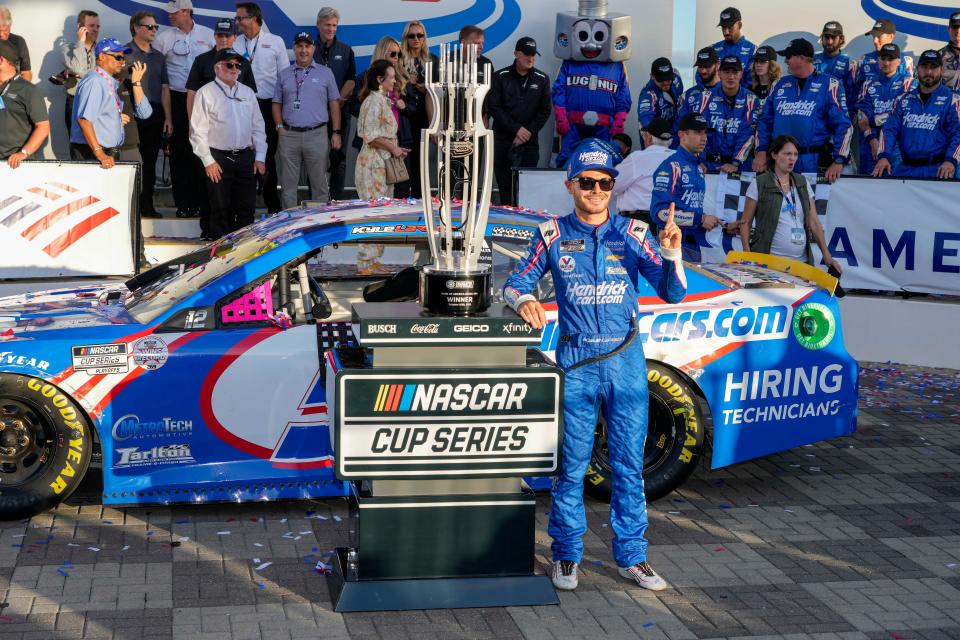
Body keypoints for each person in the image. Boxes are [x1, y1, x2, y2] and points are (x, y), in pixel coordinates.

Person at [502, 139, 685, 593]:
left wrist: (672, 254)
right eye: (587, 182)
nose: (596, 190)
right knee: (572, 465)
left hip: (625, 365)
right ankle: (566, 554)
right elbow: (515, 281)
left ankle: (633, 557)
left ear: (612, 186)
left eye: (604, 182)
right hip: (577, 363)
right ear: (570, 185)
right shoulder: (551, 233)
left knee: (628, 465)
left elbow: (673, 292)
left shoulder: (636, 234)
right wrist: (525, 298)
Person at [189, 48, 266, 238]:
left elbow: (258, 127)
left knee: (246, 208)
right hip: (219, 158)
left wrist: (260, 157)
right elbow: (197, 131)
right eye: (229, 65)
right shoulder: (205, 93)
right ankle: (221, 257)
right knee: (220, 209)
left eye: (237, 65)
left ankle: (245, 254)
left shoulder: (248, 93)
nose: (234, 69)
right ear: (217, 68)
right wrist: (208, 161)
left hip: (245, 156)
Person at [753, 38, 852, 183]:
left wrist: (839, 160)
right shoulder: (779, 84)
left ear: (802, 58)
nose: (785, 61)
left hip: (813, 161)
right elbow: (765, 121)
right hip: (779, 162)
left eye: (788, 56)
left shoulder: (830, 84)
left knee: (809, 205)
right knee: (779, 204)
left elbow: (843, 125)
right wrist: (761, 151)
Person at [739, 134, 840, 273]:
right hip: (769, 264)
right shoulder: (759, 183)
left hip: (801, 264)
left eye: (795, 154)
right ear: (774, 155)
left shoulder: (803, 182)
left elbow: (815, 223)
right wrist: (747, 254)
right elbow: (745, 222)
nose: (792, 158)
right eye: (787, 154)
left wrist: (827, 257)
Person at [155, 0, 214, 218]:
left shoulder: (208, 35)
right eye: (169, 13)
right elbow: (158, 70)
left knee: (202, 151)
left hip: (205, 99)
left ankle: (201, 202)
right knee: (179, 153)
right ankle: (183, 203)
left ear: (187, 12)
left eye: (174, 12)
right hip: (177, 98)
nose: (170, 16)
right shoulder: (163, 38)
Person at [272, 31, 342, 209]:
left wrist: (336, 132)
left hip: (317, 134)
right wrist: (280, 127)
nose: (303, 50)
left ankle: (320, 227)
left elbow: (334, 103)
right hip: (289, 135)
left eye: (307, 46)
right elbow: (276, 103)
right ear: (294, 48)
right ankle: (289, 226)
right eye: (299, 46)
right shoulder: (284, 74)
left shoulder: (326, 73)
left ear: (313, 48)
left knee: (319, 184)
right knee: (288, 186)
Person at [234, 2, 288, 214]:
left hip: (267, 106)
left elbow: (284, 78)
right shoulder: (235, 43)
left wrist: (280, 115)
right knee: (243, 154)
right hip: (239, 107)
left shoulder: (275, 42)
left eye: (240, 18)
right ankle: (243, 205)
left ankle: (272, 205)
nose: (237, 23)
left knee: (268, 156)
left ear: (254, 19)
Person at [873, 50, 960, 180]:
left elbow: (958, 133)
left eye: (933, 67)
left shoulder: (953, 100)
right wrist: (884, 156)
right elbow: (889, 130)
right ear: (917, 69)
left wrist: (950, 160)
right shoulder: (903, 99)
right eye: (924, 67)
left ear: (941, 70)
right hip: (906, 171)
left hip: (939, 171)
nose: (928, 72)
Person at [488, 37, 551, 206]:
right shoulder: (500, 77)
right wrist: (516, 129)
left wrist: (527, 132)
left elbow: (545, 110)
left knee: (527, 188)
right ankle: (505, 224)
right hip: (503, 141)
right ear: (516, 54)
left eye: (533, 55)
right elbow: (494, 107)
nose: (530, 58)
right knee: (505, 187)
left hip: (529, 142)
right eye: (526, 54)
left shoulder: (542, 78)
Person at [70, 39, 152, 168]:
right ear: (102, 56)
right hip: (92, 152)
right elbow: (84, 120)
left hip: (105, 151)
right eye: (118, 57)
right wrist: (100, 153)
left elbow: (145, 113)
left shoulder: (105, 81)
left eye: (123, 58)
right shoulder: (95, 81)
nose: (122, 62)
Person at [650, 113, 716, 262]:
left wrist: (721, 224)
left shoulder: (698, 167)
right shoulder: (671, 166)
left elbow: (689, 207)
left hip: (694, 246)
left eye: (705, 132)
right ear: (682, 134)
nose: (704, 137)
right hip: (672, 244)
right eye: (698, 132)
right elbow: (660, 214)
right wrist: (700, 219)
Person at [126, 11, 169, 218]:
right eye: (150, 27)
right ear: (136, 27)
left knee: (150, 162)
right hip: (130, 115)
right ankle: (130, 206)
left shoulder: (159, 56)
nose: (154, 31)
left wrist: (168, 118)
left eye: (156, 27)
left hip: (155, 114)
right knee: (131, 161)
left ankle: (147, 205)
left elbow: (165, 89)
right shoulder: (124, 53)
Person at [315, 7, 356, 201]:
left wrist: (337, 101)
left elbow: (351, 79)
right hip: (315, 115)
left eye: (334, 25)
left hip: (341, 112)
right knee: (315, 158)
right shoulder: (309, 48)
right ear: (319, 24)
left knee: (339, 158)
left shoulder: (346, 50)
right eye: (327, 25)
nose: (331, 29)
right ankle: (317, 199)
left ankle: (336, 200)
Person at [856, 43, 914, 176]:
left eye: (891, 59)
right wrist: (872, 139)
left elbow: (905, 117)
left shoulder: (909, 83)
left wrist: (877, 119)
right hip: (872, 144)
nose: (886, 63)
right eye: (883, 58)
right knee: (868, 190)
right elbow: (862, 119)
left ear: (899, 62)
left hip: (898, 145)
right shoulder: (868, 85)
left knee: (898, 188)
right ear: (878, 60)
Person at [355, 59, 409, 199]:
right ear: (380, 79)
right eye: (391, 77)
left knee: (383, 209)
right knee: (375, 212)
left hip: (381, 164)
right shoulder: (374, 101)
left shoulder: (381, 100)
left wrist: (395, 148)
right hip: (372, 166)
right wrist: (393, 148)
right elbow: (370, 137)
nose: (395, 81)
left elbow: (381, 134)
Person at [186, 17, 256, 118]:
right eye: (220, 35)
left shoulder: (244, 63)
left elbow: (251, 97)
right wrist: (192, 123)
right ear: (214, 36)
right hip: (207, 118)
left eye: (228, 35)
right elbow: (192, 93)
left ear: (235, 37)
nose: (224, 39)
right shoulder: (201, 60)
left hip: (237, 119)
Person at [698, 55, 757, 173]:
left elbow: (748, 134)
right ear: (719, 73)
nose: (731, 76)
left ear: (741, 74)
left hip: (738, 167)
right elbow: (699, 130)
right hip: (708, 166)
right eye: (726, 72)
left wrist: (735, 162)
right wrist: (699, 161)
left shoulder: (751, 99)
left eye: (735, 72)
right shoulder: (706, 97)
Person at [401, 19, 438, 199]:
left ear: (424, 38)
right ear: (406, 38)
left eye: (420, 35)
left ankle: (419, 203)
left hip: (424, 117)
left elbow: (440, 90)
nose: (416, 39)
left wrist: (427, 87)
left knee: (421, 165)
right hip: (404, 118)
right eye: (412, 35)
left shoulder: (433, 60)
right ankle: (399, 205)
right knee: (404, 164)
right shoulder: (399, 59)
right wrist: (408, 81)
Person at [612, 118, 673, 222]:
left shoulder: (637, 158)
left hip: (638, 221)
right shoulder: (680, 159)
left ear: (648, 138)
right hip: (671, 222)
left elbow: (613, 185)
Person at [0, 39, 48, 167]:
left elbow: (43, 126)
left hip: (15, 163)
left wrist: (23, 153)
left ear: (1, 60)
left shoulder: (28, 90)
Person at [60, 10, 100, 132]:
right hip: (75, 101)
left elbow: (99, 76)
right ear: (80, 27)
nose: (96, 29)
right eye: (91, 26)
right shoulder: (68, 48)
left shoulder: (101, 50)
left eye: (98, 26)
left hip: (97, 101)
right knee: (76, 146)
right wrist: (80, 43)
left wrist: (79, 73)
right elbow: (78, 68)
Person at [856, 19, 913, 96]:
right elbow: (855, 92)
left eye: (879, 36)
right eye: (874, 37)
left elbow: (909, 93)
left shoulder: (905, 60)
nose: (875, 41)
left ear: (891, 36)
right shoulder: (865, 59)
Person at [814, 21, 857, 120]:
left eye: (833, 38)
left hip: (838, 117)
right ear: (822, 38)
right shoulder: (812, 60)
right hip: (815, 117)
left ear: (841, 39)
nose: (829, 41)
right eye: (827, 37)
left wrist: (847, 118)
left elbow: (852, 97)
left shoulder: (849, 64)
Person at [636, 57, 683, 134]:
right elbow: (646, 119)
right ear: (652, 76)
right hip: (657, 137)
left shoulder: (676, 78)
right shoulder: (647, 94)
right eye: (661, 79)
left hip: (676, 133)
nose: (665, 83)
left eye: (668, 79)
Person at [712, 7, 755, 87]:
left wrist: (735, 93)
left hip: (743, 98)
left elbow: (753, 80)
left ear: (740, 25)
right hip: (715, 98)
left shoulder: (752, 50)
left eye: (730, 27)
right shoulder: (713, 49)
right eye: (723, 27)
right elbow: (700, 75)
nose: (726, 32)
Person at [0, 7, 31, 81]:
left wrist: (21, 88)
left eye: (5, 30)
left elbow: (27, 73)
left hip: (13, 88)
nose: (1, 34)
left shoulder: (19, 42)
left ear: (10, 26)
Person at [941, 12, 960, 91]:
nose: (958, 31)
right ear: (949, 29)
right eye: (955, 27)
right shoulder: (939, 56)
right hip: (945, 101)